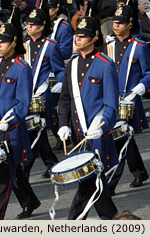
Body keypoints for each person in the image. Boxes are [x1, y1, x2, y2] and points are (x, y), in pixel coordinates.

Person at [0, 15, 40, 219]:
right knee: (13, 171)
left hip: (12, 131)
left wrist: (8, 121)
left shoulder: (22, 68)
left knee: (4, 176)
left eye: (3, 41)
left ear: (14, 43)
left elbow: (22, 104)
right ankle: (30, 200)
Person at [58, 16, 119, 219]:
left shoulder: (105, 64)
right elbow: (66, 100)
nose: (78, 39)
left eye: (83, 36)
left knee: (90, 183)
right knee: (91, 184)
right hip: (78, 135)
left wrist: (102, 127)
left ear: (93, 38)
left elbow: (111, 105)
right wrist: (62, 125)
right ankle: (114, 220)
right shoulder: (72, 65)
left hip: (97, 136)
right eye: (77, 35)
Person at [104, 5, 149, 193]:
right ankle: (139, 171)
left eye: (120, 22)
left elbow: (148, 72)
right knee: (125, 139)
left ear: (130, 24)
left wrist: (143, 84)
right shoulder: (110, 45)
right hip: (112, 100)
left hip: (129, 100)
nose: (116, 25)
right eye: (115, 22)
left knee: (119, 139)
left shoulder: (139, 47)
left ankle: (110, 185)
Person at [23, 8, 65, 179]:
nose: (29, 27)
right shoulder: (23, 44)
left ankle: (24, 170)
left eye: (33, 24)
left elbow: (59, 69)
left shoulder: (51, 46)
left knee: (35, 130)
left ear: (42, 26)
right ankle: (51, 162)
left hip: (41, 93)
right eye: (28, 24)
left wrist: (61, 82)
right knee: (35, 131)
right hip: (26, 93)